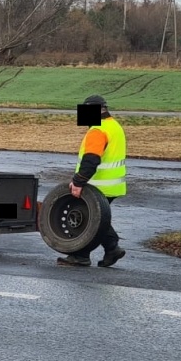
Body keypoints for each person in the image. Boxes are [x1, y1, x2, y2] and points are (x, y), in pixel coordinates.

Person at [58, 94, 127, 268]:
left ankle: (80, 256)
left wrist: (79, 181)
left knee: (87, 220)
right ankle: (112, 249)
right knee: (98, 219)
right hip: (112, 185)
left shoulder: (98, 130)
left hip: (97, 186)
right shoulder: (114, 126)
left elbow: (91, 159)